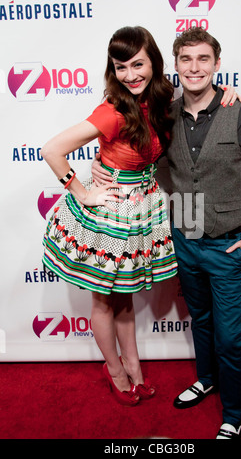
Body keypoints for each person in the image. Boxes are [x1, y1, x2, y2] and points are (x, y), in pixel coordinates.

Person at [93, 27, 241, 438]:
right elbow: (143, 160)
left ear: (216, 64)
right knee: (201, 320)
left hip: (231, 245)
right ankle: (206, 377)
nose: (194, 68)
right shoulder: (164, 115)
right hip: (185, 239)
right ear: (175, 66)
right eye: (186, 60)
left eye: (203, 59)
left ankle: (234, 412)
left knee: (230, 337)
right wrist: (99, 168)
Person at [41, 26, 180, 406]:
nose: (131, 75)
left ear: (153, 62)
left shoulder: (162, 100)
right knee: (104, 298)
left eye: (138, 64)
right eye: (121, 67)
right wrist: (83, 191)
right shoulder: (113, 110)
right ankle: (115, 370)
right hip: (110, 214)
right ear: (112, 70)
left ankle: (133, 367)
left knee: (124, 296)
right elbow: (52, 149)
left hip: (141, 210)